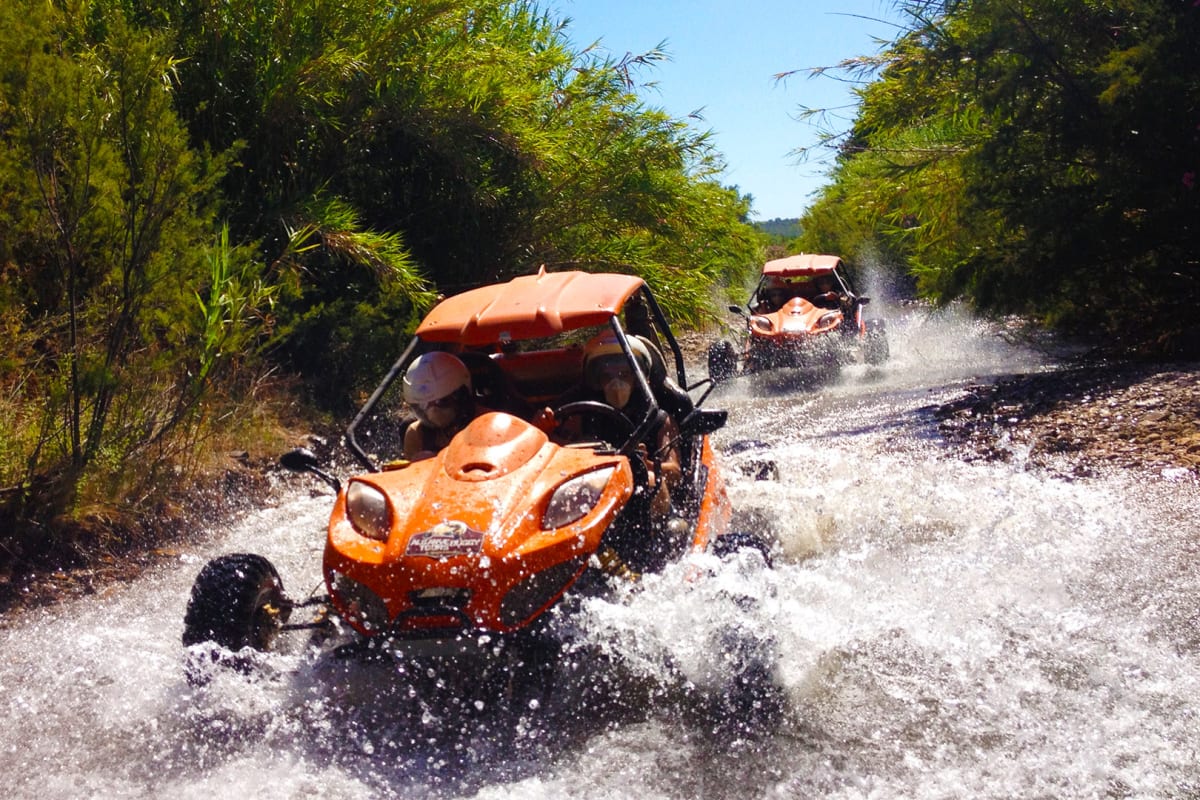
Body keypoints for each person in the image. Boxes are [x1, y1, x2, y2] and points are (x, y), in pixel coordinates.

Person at [577, 331, 682, 517]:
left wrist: (647, 464)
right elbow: (558, 452)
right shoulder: (587, 416)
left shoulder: (659, 419)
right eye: (607, 376)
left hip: (650, 500)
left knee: (651, 482)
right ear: (598, 381)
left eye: (624, 374)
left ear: (637, 378)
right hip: (599, 494)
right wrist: (545, 429)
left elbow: (675, 472)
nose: (616, 383)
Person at [401, 351, 488, 461]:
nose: (433, 411)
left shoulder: (488, 424)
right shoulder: (417, 434)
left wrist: (439, 461)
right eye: (423, 405)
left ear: (461, 396)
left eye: (441, 402)